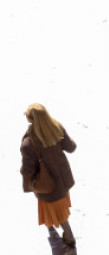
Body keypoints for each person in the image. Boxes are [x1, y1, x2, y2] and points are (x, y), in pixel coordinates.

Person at [20, 104, 78, 247]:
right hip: (63, 179)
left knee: (59, 214)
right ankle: (54, 227)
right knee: (61, 209)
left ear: (30, 119)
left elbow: (28, 169)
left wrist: (28, 181)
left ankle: (70, 238)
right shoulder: (56, 127)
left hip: (48, 185)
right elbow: (71, 148)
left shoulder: (29, 143)